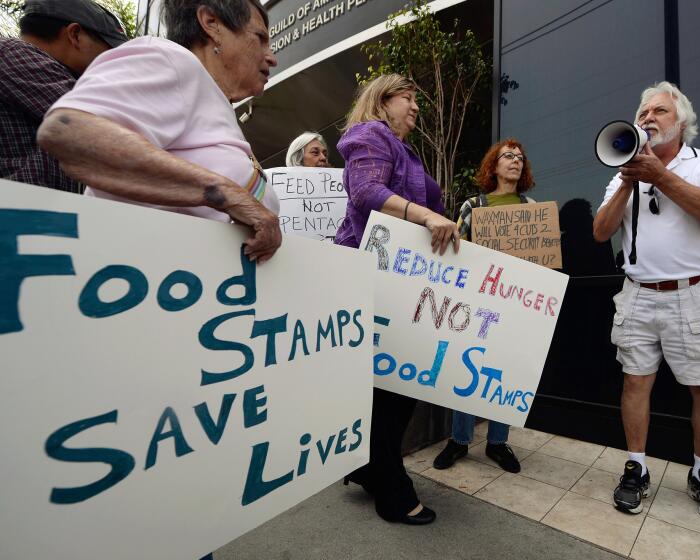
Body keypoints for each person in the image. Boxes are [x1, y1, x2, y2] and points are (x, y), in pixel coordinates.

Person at [593, 81, 700, 525]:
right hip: (639, 293)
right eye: (642, 114)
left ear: (682, 123)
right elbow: (602, 231)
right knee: (635, 383)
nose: (647, 119)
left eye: (658, 111)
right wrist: (626, 182)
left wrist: (660, 176)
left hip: (696, 293)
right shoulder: (624, 173)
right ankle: (636, 466)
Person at [38, 0, 281, 264]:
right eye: (260, 38)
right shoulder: (171, 59)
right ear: (211, 23)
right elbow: (68, 130)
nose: (271, 57)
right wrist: (228, 195)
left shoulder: (215, 103)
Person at [336, 73, 460, 525]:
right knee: (394, 386)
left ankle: (371, 468)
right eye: (407, 98)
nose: (415, 107)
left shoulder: (404, 150)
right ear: (381, 100)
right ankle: (391, 489)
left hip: (405, 282)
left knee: (397, 382)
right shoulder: (368, 135)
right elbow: (365, 192)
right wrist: (427, 214)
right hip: (375, 278)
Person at [432, 138, 535, 474]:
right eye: (509, 156)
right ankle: (459, 440)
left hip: (516, 305)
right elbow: (457, 252)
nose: (516, 161)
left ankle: (497, 442)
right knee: (466, 366)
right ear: (494, 165)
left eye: (520, 158)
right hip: (478, 303)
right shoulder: (472, 206)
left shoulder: (532, 208)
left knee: (504, 370)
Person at [1, 0, 127, 192]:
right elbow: (109, 122)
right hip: (17, 214)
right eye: (111, 53)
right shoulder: (16, 55)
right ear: (75, 35)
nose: (115, 66)